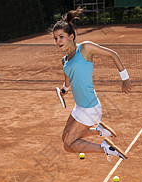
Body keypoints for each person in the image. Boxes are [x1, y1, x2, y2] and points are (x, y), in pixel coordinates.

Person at [52, 7, 132, 161]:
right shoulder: (65, 60)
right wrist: (64, 89)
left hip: (90, 109)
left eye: (61, 37)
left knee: (68, 145)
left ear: (71, 36)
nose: (58, 41)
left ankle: (106, 148)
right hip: (79, 107)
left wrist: (125, 79)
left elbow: (112, 54)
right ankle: (98, 130)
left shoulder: (85, 48)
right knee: (64, 137)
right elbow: (68, 79)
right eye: (55, 38)